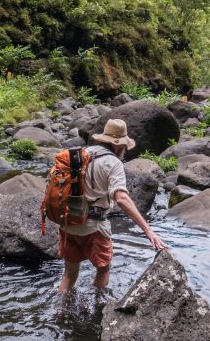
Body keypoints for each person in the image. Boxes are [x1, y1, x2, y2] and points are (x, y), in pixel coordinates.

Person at [58, 119, 168, 291]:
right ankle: (98, 307)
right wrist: (148, 231)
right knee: (104, 268)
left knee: (70, 275)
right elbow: (121, 198)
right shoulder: (113, 163)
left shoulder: (79, 154)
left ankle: (60, 313)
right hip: (93, 227)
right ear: (119, 145)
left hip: (67, 222)